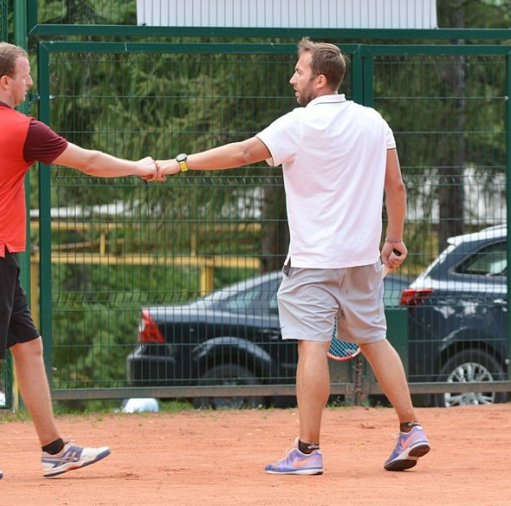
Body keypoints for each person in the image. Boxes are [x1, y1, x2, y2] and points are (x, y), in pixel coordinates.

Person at [156, 38, 429, 475]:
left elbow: (243, 152)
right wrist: (394, 237)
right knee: (376, 341)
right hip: (362, 260)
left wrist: (181, 163)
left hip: (312, 261)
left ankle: (307, 451)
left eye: (299, 72)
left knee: (312, 348)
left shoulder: (297, 125)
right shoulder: (374, 121)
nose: (292, 79)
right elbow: (395, 187)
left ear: (319, 80)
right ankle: (411, 427)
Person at [0, 42, 158, 481]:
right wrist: (138, 166)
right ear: (5, 80)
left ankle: (55, 450)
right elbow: (88, 162)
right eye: (26, 75)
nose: (30, 82)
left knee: (29, 348)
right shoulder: (23, 128)